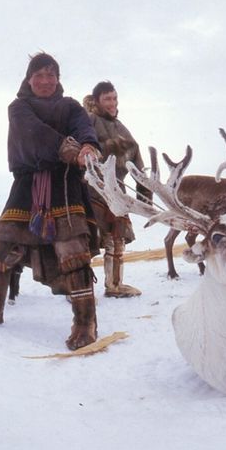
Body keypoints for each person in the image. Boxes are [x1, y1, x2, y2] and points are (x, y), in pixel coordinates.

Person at [0, 53, 102, 350]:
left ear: (58, 80)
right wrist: (68, 149)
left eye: (52, 75)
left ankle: (85, 322)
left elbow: (85, 127)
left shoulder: (71, 106)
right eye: (39, 75)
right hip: (26, 188)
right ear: (29, 79)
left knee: (74, 255)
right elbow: (34, 134)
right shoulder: (18, 107)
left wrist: (88, 146)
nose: (46, 81)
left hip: (65, 187)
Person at [84, 81, 150, 298]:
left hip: (118, 191)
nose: (112, 103)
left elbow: (136, 160)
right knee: (85, 240)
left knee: (116, 240)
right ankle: (77, 286)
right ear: (96, 101)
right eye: (107, 99)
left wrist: (144, 194)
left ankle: (114, 285)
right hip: (91, 188)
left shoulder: (121, 127)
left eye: (114, 98)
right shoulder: (88, 121)